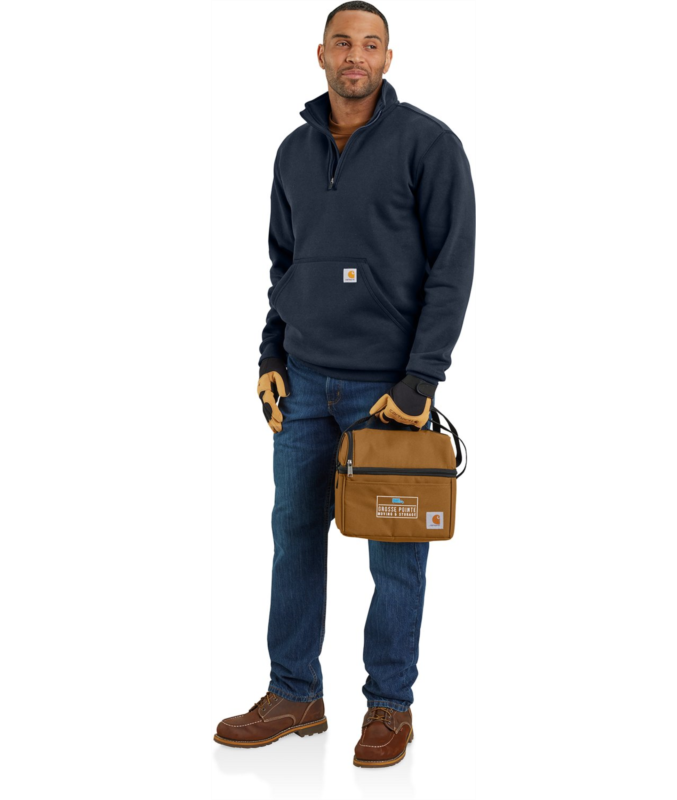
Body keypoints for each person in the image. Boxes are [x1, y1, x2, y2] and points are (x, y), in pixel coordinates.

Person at [214, 1, 475, 769]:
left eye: (370, 44)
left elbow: (453, 268)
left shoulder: (429, 144)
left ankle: (390, 706)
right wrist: (270, 356)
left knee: (397, 552)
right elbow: (284, 265)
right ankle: (295, 692)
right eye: (342, 42)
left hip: (389, 396)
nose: (355, 55)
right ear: (321, 54)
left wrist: (422, 379)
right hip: (301, 387)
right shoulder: (292, 151)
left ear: (388, 58)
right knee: (293, 536)